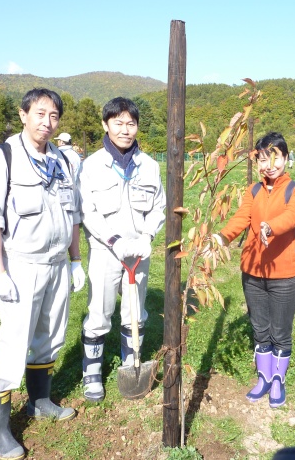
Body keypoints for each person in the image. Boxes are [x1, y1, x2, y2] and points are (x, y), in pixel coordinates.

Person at [0, 88, 86, 460]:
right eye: (40, 113)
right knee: (13, 344)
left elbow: (73, 216)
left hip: (57, 264)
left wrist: (75, 261)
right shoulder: (3, 158)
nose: (47, 122)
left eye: (54, 115)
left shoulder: (63, 160)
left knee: (50, 336)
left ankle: (39, 401)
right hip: (21, 265)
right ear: (23, 115)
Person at [78, 97, 166, 402]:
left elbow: (158, 207)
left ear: (137, 126)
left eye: (131, 123)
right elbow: (87, 211)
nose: (125, 129)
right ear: (105, 125)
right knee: (99, 313)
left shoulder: (150, 167)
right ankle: (92, 373)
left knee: (135, 313)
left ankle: (132, 362)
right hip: (105, 251)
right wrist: (113, 241)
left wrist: (147, 236)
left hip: (139, 252)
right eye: (118, 122)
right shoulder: (91, 166)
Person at [216, 132, 295, 408]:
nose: (269, 165)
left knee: (280, 331)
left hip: (284, 273)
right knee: (259, 329)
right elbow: (241, 217)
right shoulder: (253, 190)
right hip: (253, 272)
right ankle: (263, 377)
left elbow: (292, 215)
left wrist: (271, 226)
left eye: (275, 158)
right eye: (263, 160)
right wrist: (221, 238)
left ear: (286, 158)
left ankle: (278, 379)